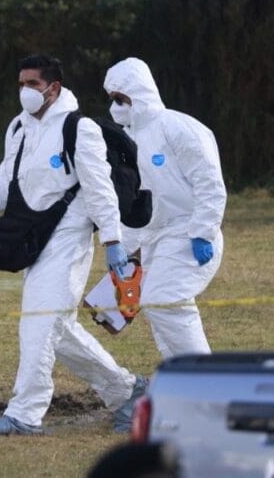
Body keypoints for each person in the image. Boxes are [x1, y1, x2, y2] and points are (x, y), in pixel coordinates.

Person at [0, 54, 147, 436]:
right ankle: (128, 391)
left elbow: (100, 190)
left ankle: (25, 414)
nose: (25, 91)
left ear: (53, 88)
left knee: (39, 323)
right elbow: (7, 176)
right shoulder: (19, 128)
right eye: (21, 84)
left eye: (33, 84)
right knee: (58, 329)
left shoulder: (79, 128)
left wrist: (113, 242)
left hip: (69, 242)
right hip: (34, 239)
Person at [103, 57, 226, 359]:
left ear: (138, 92)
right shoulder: (127, 139)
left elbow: (210, 184)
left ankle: (206, 379)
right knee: (158, 309)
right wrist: (124, 249)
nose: (115, 106)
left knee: (164, 300)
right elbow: (135, 200)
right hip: (153, 237)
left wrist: (203, 231)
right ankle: (179, 377)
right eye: (112, 99)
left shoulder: (180, 128)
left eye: (120, 98)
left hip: (188, 231)